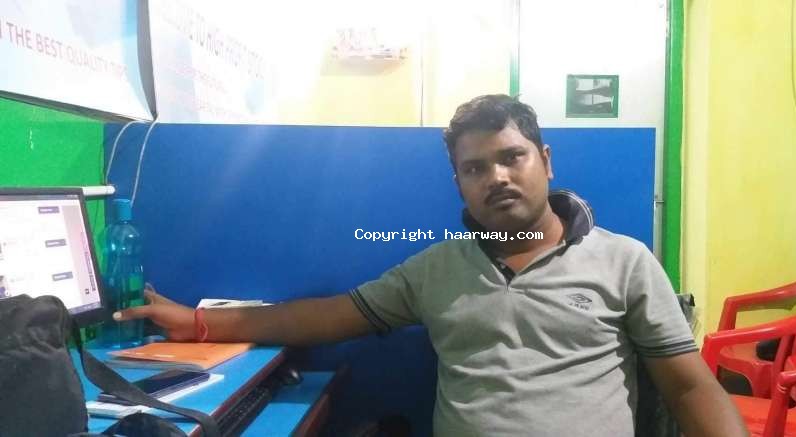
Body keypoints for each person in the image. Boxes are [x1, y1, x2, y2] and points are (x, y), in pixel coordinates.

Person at [115, 95, 747, 436]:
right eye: (475, 168)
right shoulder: (435, 269)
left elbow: (690, 387)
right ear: (459, 183)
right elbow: (327, 316)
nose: (496, 177)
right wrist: (198, 323)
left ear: (546, 160)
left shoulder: (625, 260)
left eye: (512, 157)